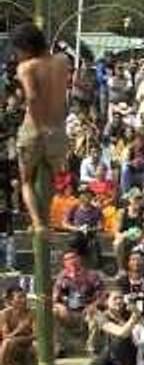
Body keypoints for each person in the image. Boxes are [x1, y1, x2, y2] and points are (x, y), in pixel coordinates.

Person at [10, 23, 70, 233]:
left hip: (35, 128)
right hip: (58, 129)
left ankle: (38, 222)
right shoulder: (63, 61)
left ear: (25, 47)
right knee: (52, 178)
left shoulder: (26, 68)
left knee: (26, 180)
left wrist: (36, 124)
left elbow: (33, 97)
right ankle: (45, 217)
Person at [0, 287, 35, 365]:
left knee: (37, 346)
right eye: (19, 297)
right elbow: (5, 335)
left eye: (24, 297)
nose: (24, 300)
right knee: (6, 343)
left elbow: (35, 335)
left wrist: (17, 338)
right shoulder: (5, 314)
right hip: (11, 348)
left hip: (28, 346)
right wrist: (19, 329)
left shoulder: (32, 313)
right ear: (11, 301)